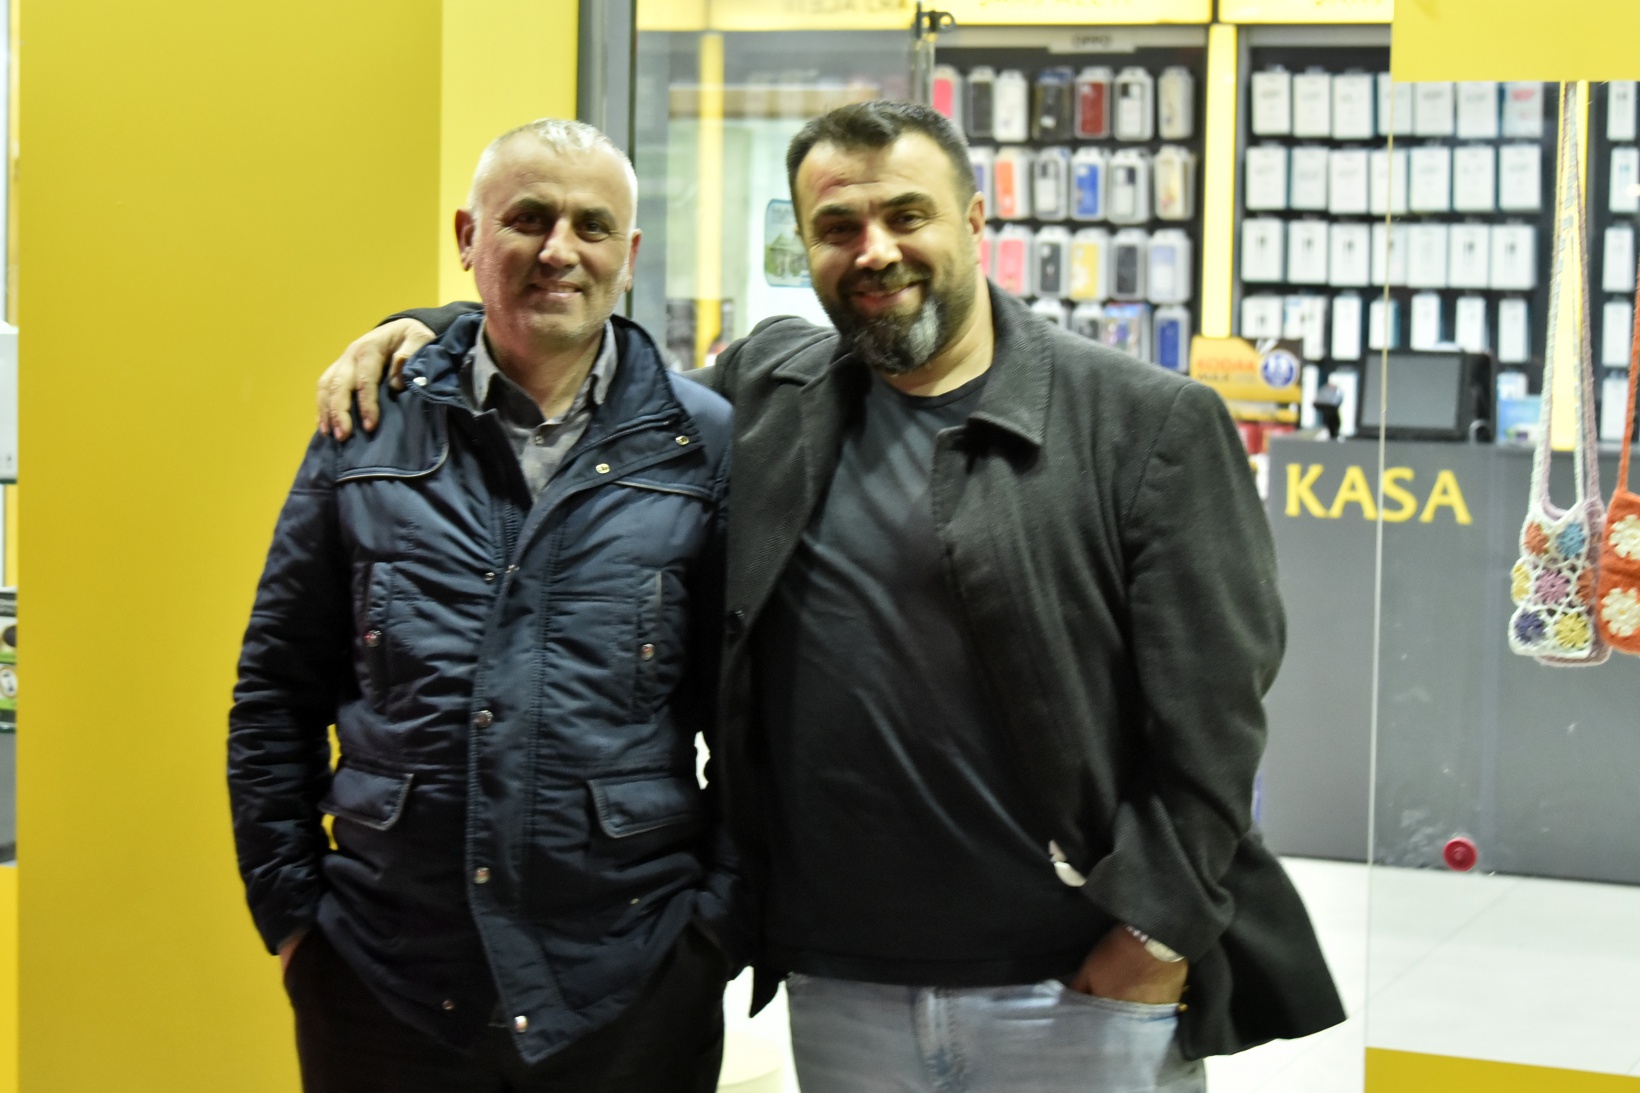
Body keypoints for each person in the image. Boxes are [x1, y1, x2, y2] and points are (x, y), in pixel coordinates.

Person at [316, 102, 1345, 1092]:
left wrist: (1153, 935)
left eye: (906, 216)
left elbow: (1214, 719)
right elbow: (583, 365)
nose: (874, 251)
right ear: (803, 246)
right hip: (844, 987)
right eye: (837, 227)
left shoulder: (1142, 424)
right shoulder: (766, 391)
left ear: (974, 221)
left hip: (1070, 988)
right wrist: (435, 328)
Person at [229, 118, 740, 1092]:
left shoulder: (699, 442)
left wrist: (713, 930)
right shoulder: (367, 423)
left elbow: (745, 717)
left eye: (592, 226)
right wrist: (295, 922)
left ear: (629, 255)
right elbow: (274, 692)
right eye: (528, 219)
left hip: (630, 988)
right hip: (384, 985)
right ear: (468, 236)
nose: (560, 249)